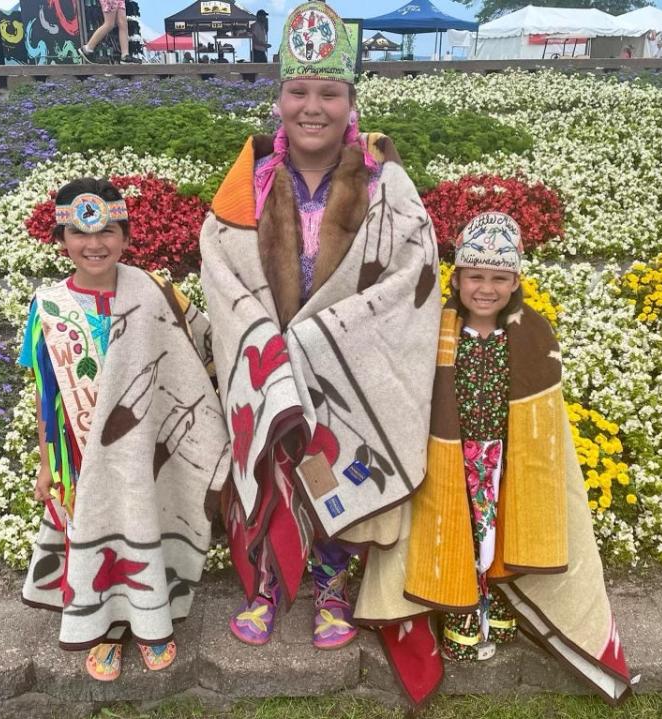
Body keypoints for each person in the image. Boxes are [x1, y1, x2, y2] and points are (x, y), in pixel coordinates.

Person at [200, 0, 442, 653]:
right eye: (299, 90)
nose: (313, 106)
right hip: (271, 360)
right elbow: (217, 260)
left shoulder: (383, 179)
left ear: (350, 100)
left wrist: (333, 333)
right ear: (279, 98)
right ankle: (269, 586)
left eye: (329, 92)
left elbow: (414, 265)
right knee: (275, 466)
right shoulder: (250, 178)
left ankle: (332, 585)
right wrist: (257, 331)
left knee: (333, 466)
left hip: (345, 363)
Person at [353, 211, 634, 705]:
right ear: (456, 278)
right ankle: (458, 603)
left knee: (496, 528)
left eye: (498, 278)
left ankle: (495, 599)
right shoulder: (434, 331)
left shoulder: (533, 333)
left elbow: (545, 412)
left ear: (515, 281)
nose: (485, 288)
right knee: (454, 527)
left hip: (507, 457)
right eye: (474, 276)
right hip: (446, 456)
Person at [20, 177, 230, 681]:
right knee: (94, 532)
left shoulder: (157, 292)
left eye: (109, 232)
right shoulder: (48, 307)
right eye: (81, 236)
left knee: (148, 524)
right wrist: (49, 463)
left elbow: (204, 347)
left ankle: (155, 620)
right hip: (81, 449)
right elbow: (45, 394)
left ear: (127, 237)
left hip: (149, 444)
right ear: (61, 240)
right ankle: (108, 630)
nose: (95, 245)